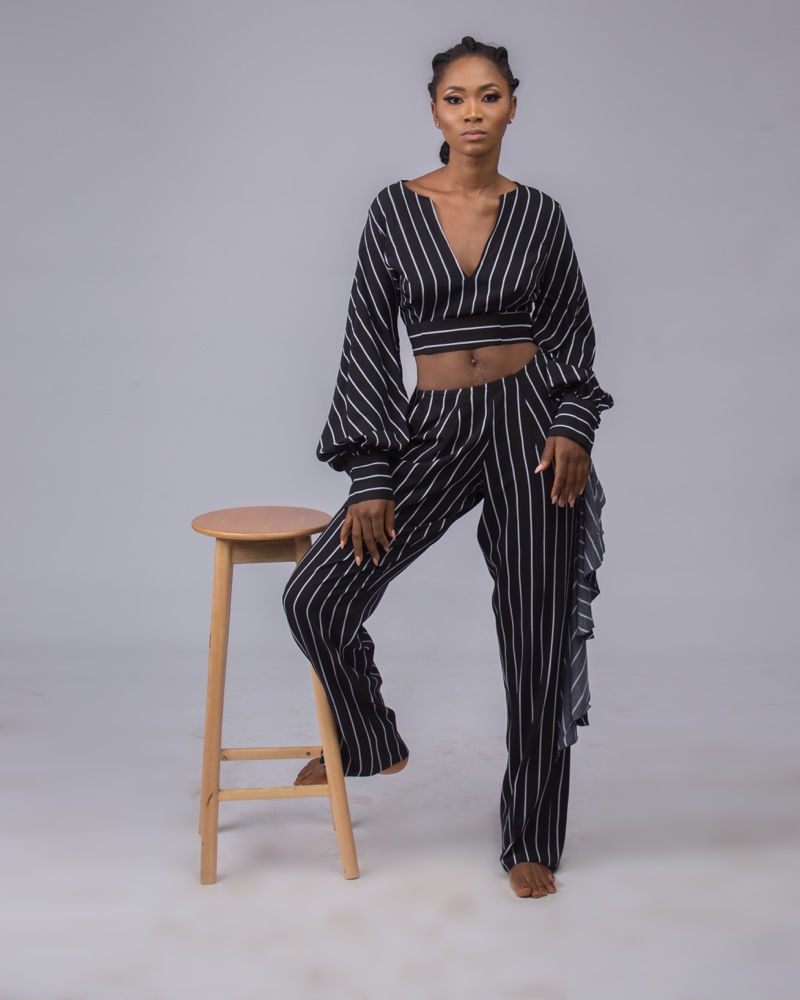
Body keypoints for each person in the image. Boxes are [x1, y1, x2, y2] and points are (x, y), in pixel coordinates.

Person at [283, 36, 613, 899]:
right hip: (432, 428)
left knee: (537, 636)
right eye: (457, 98)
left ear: (512, 107)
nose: (473, 112)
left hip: (532, 427)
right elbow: (366, 344)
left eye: (489, 96)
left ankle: (531, 838)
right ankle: (368, 740)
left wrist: (573, 424)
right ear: (434, 109)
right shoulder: (393, 211)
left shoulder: (540, 215)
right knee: (316, 593)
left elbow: (571, 331)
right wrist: (370, 475)